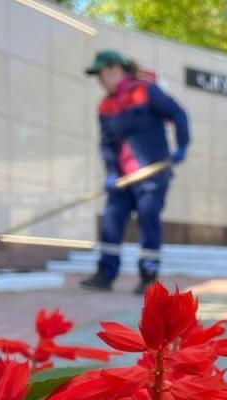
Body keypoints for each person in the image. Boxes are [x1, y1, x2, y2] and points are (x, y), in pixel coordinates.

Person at [81, 50, 190, 294]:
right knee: (111, 222)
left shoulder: (146, 91)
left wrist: (182, 145)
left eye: (101, 74)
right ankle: (105, 274)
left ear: (115, 69)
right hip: (123, 179)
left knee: (149, 221)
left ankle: (148, 276)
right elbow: (107, 144)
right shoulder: (106, 105)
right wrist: (111, 172)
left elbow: (178, 113)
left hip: (151, 175)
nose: (99, 80)